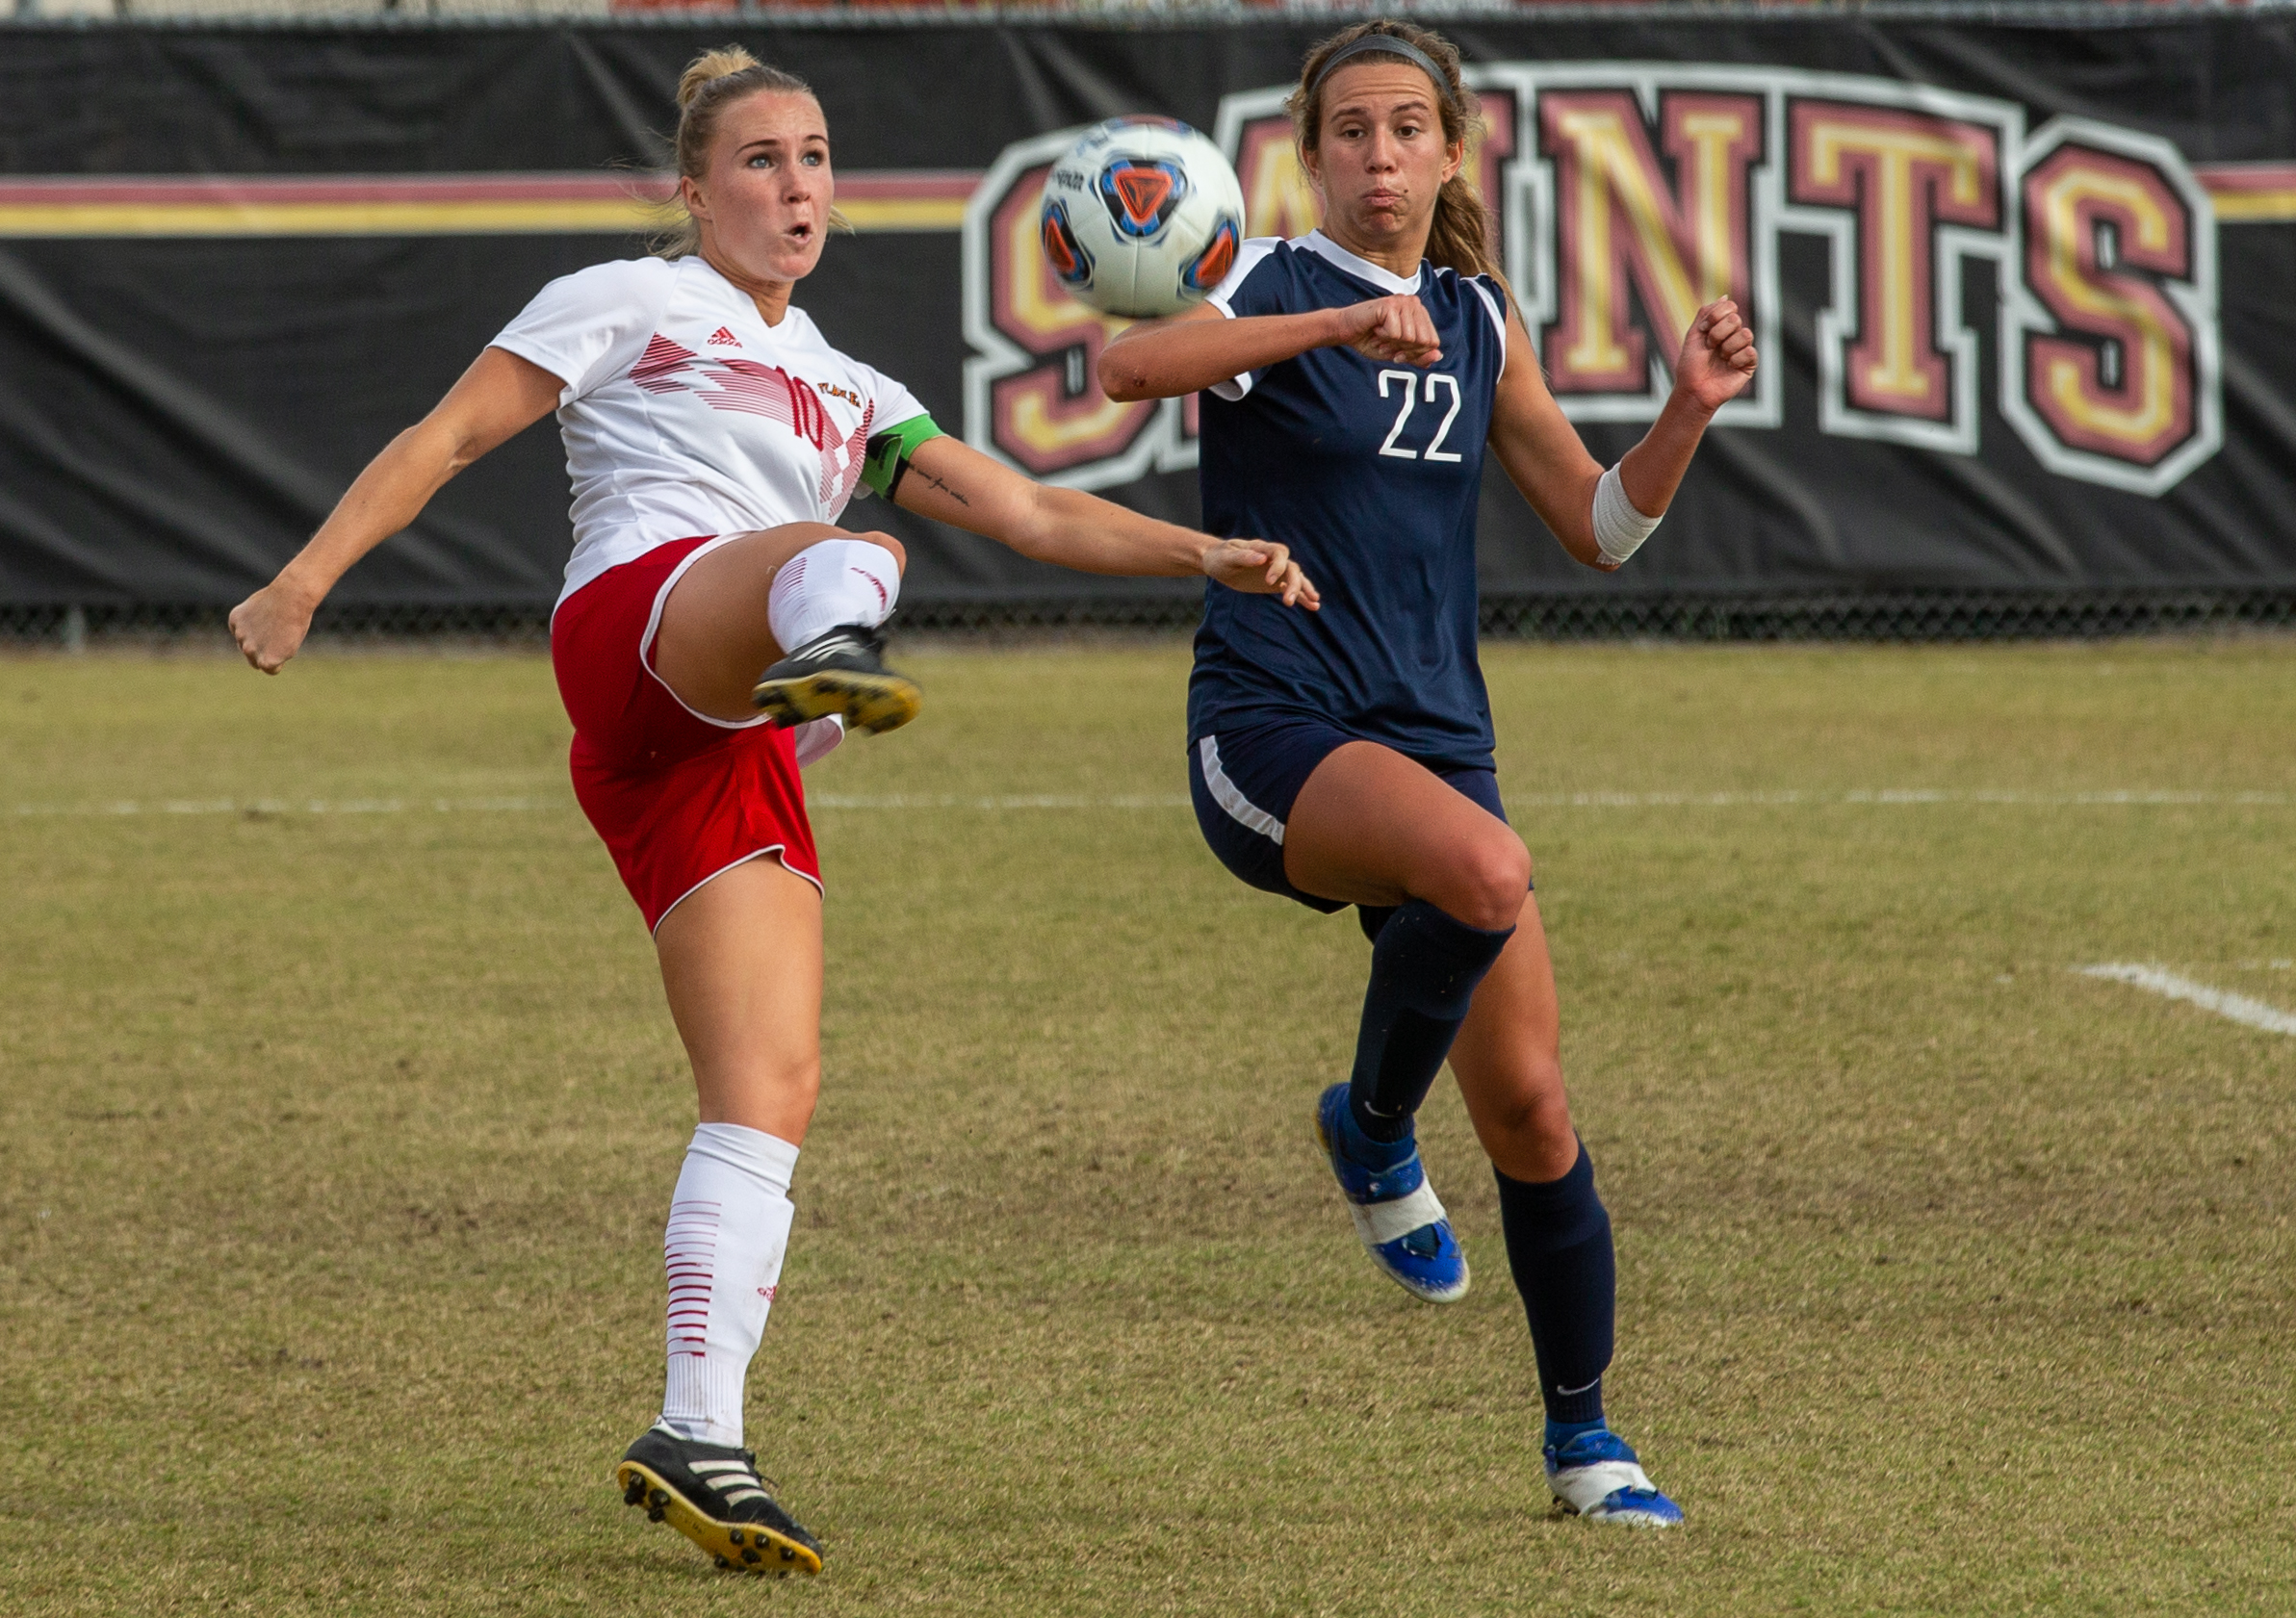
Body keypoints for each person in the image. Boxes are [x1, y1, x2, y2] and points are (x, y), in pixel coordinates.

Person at [227, 45, 1316, 1579]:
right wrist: (301, 581)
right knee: (847, 555)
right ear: (693, 191)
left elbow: (1027, 508)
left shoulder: (856, 387)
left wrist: (1206, 555)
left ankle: (697, 1430)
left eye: (812, 158)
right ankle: (829, 649)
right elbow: (447, 438)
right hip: (635, 632)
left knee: (769, 1091)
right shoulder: (627, 298)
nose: (794, 185)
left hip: (707, 744)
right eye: (758, 160)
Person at [1099, 19, 1754, 1528]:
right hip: (1273, 727)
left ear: (1451, 149)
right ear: (1308, 150)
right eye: (1350, 131)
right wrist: (1326, 328)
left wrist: (1686, 410)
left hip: (1435, 738)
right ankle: (1376, 1127)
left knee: (1530, 1108)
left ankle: (1584, 1440)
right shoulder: (1262, 280)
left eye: (1407, 129)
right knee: (1486, 871)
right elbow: (1132, 363)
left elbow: (1598, 527)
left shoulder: (1477, 315)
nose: (1379, 155)